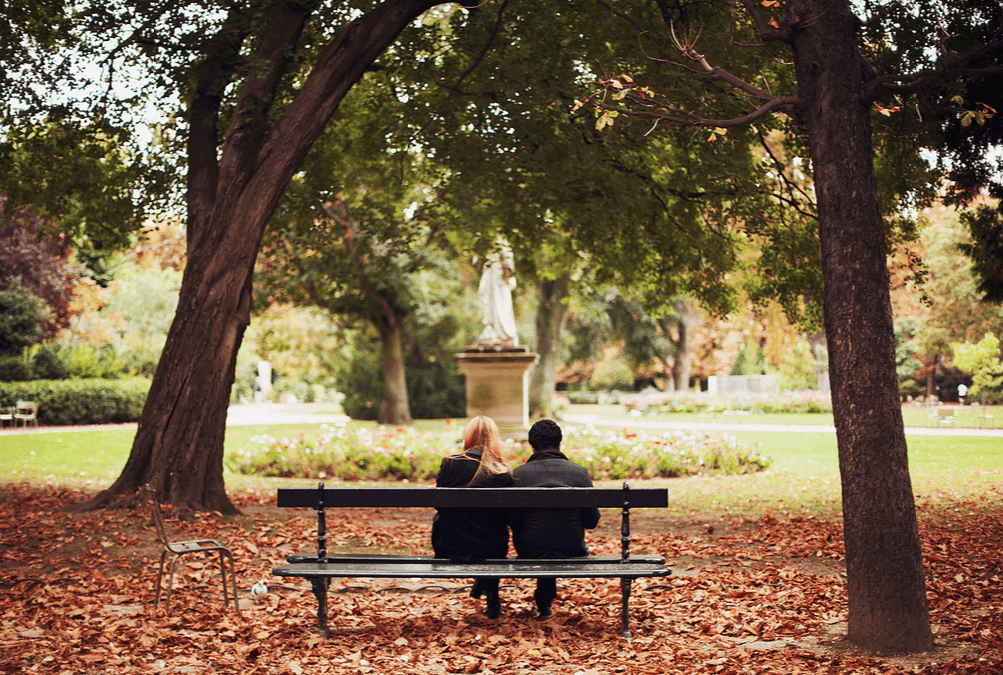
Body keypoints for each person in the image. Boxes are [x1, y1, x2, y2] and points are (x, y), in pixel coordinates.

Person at [510, 419, 600, 618]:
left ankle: (543, 601)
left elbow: (513, 520)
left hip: (529, 549)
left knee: (539, 533)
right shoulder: (579, 472)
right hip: (570, 547)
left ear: (531, 447)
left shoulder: (518, 474)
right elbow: (591, 521)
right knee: (555, 534)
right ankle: (545, 600)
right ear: (560, 444)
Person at [431, 416, 513, 619]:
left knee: (471, 526)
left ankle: (482, 584)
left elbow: (439, 503)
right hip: (490, 546)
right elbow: (507, 515)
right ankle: (492, 599)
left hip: (450, 544)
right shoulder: (501, 471)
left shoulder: (450, 463)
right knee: (493, 531)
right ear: (495, 438)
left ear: (468, 436)